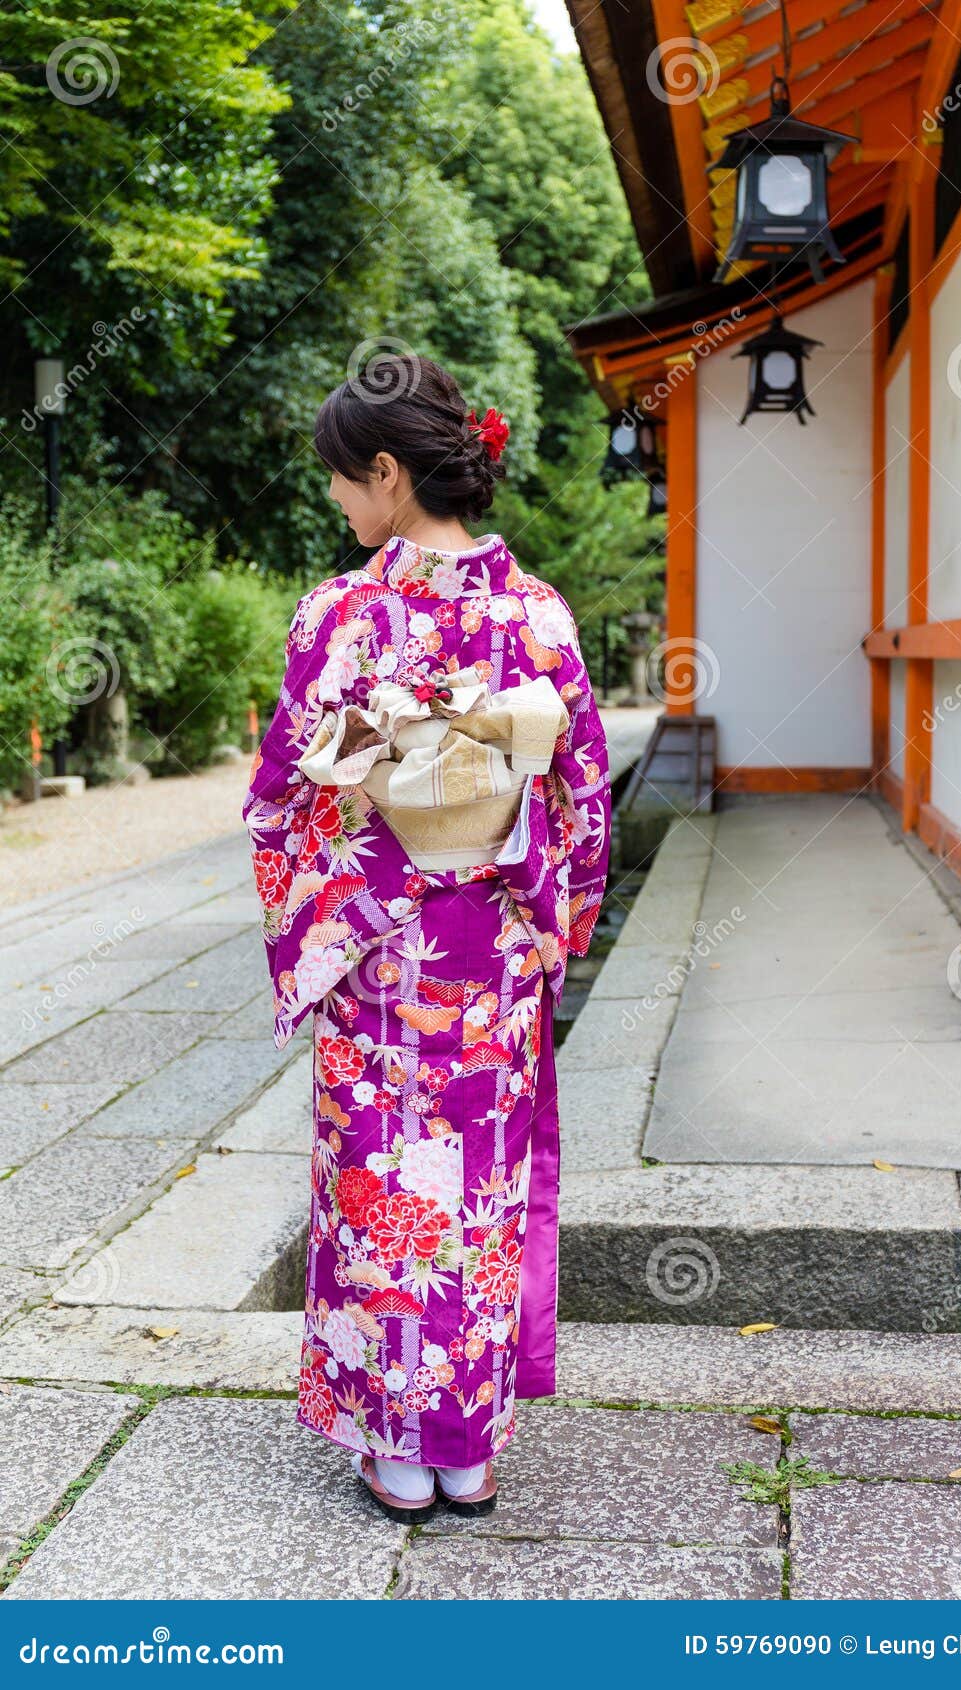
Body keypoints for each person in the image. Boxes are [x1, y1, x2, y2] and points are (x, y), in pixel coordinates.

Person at [244, 354, 610, 1523]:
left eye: (345, 483)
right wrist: (549, 916)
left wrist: (363, 844)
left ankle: (393, 1452)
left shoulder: (338, 615)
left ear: (391, 474)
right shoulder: (537, 613)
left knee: (378, 1187)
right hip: (492, 950)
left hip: (371, 951)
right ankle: (465, 1451)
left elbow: (286, 801)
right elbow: (582, 802)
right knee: (479, 1196)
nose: (339, 506)